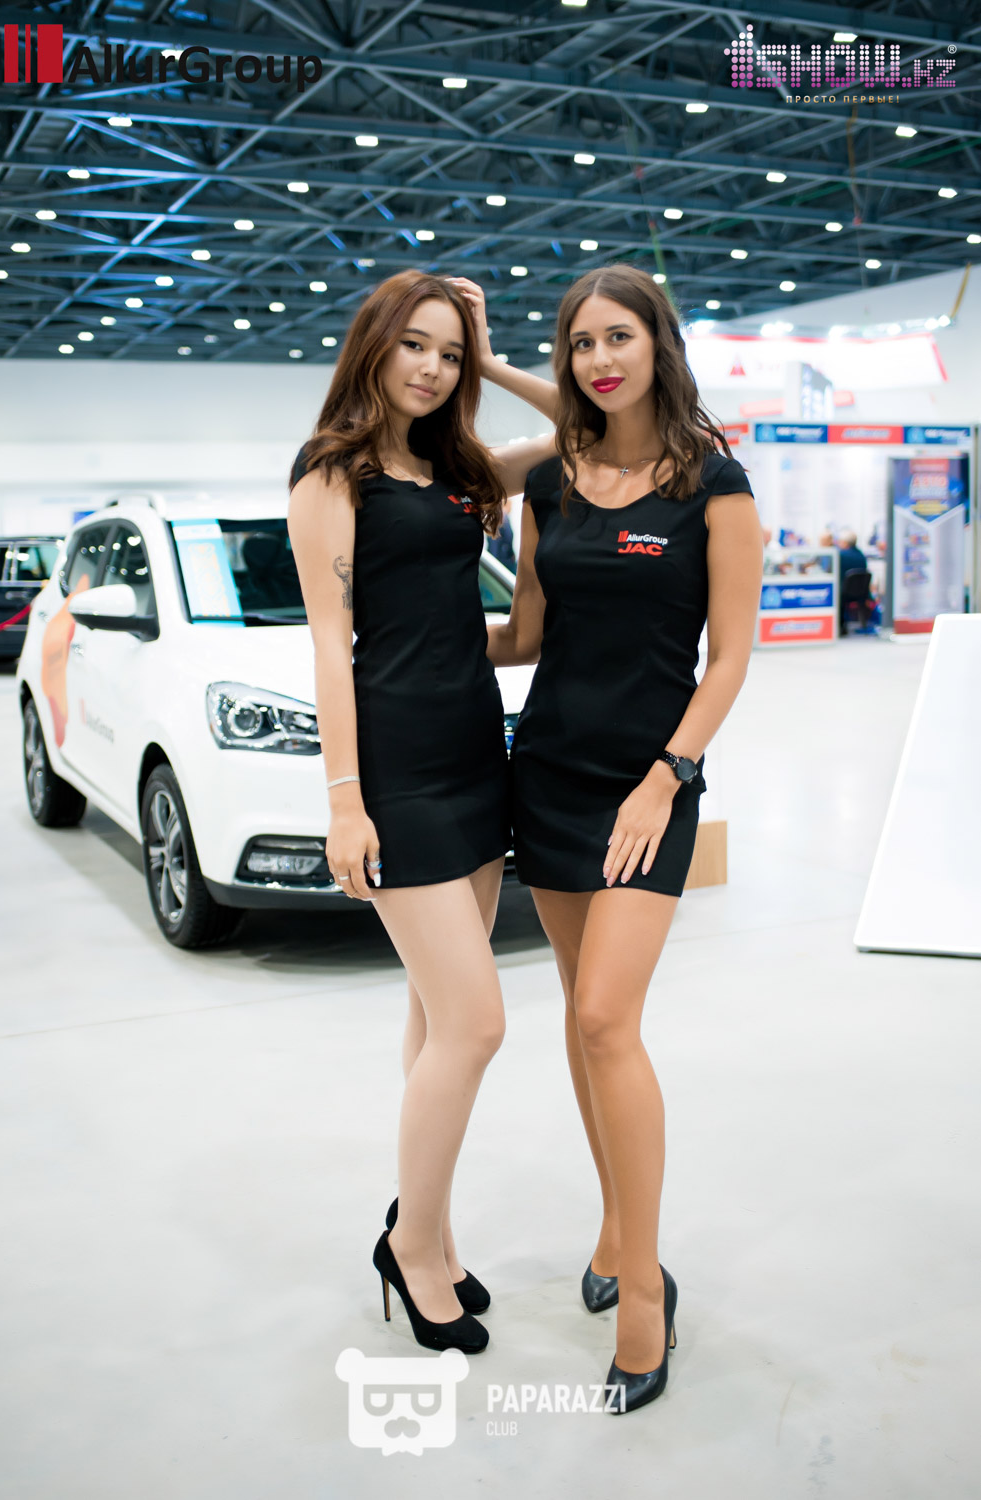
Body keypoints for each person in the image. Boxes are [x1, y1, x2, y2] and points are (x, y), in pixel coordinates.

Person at [485, 264, 763, 1412]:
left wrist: (668, 776)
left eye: (616, 337)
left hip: (649, 786)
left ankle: (642, 1286)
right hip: (547, 773)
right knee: (579, 1014)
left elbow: (730, 655)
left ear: (657, 344)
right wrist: (407, 637)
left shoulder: (713, 481)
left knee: (606, 1016)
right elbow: (524, 636)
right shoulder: (548, 483)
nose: (598, 360)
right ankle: (611, 1226)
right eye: (579, 343)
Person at [287, 270, 556, 1355]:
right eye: (417, 345)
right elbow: (329, 645)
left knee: (434, 1021)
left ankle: (430, 1239)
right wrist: (343, 801)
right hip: (397, 770)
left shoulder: (460, 470)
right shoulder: (332, 470)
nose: (433, 368)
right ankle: (408, 1246)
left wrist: (492, 358)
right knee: (477, 1024)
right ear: (374, 344)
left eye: (449, 353)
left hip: (475, 748)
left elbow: (585, 428)